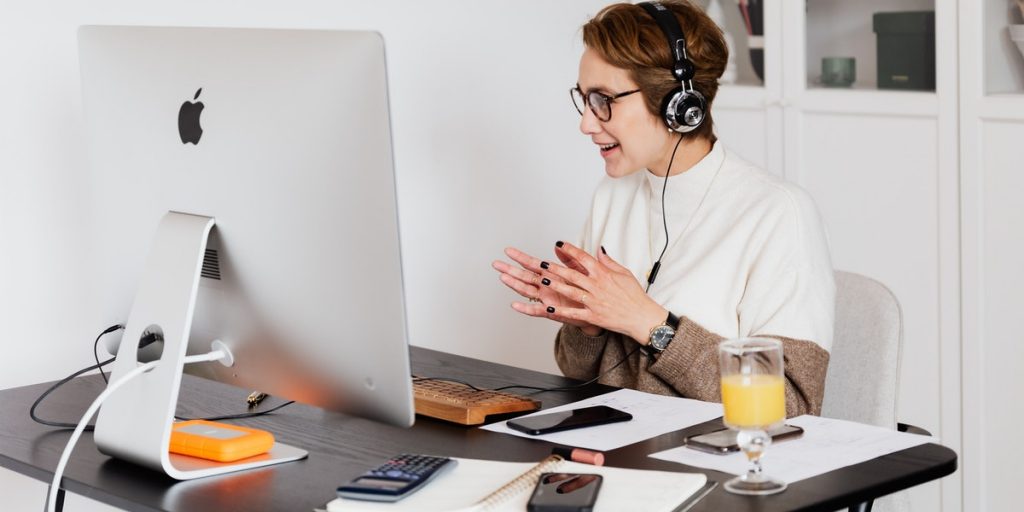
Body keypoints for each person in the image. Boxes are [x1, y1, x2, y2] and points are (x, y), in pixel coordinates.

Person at [491, 0, 835, 417]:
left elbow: (792, 405)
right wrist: (588, 326)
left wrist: (650, 324)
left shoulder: (777, 213)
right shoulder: (612, 195)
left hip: (719, 469)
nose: (586, 123)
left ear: (677, 103)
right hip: (617, 456)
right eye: (584, 100)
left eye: (604, 101)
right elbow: (578, 373)